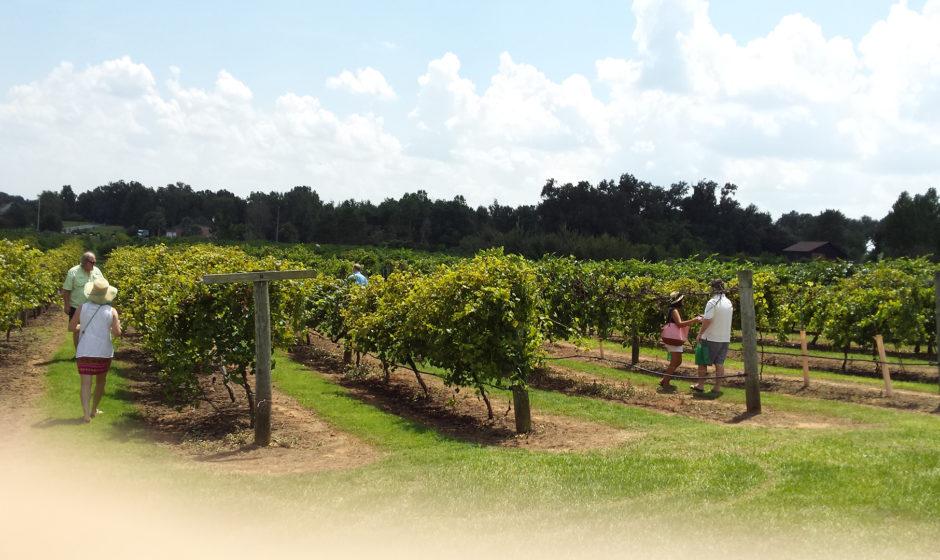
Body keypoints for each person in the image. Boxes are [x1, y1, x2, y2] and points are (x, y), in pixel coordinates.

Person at [67, 278, 121, 423]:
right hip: (103, 351)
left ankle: (85, 414)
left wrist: (82, 327)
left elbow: (71, 328)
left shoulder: (81, 308)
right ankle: (93, 410)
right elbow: (117, 333)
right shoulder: (112, 311)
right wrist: (111, 327)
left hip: (85, 350)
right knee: (100, 382)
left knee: (85, 383)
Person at [692, 278, 733, 393]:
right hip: (725, 337)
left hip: (711, 337)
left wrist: (700, 333)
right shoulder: (728, 302)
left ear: (713, 288)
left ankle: (700, 385)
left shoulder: (712, 302)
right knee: (719, 363)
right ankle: (717, 387)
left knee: (702, 361)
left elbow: (708, 320)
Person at [659, 291, 702, 390]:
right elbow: (679, 324)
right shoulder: (674, 310)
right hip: (674, 338)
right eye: (683, 300)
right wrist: (694, 320)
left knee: (678, 361)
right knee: (675, 361)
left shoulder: (672, 309)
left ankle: (664, 380)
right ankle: (665, 383)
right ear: (678, 301)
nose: (684, 302)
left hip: (673, 338)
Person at [62, 252, 103, 349]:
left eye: (95, 262)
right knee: (77, 330)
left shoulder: (97, 271)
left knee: (93, 329)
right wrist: (66, 305)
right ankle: (78, 354)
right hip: (77, 307)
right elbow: (66, 290)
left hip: (94, 306)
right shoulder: (73, 272)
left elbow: (103, 286)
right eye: (92, 262)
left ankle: (91, 352)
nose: (94, 264)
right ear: (84, 262)